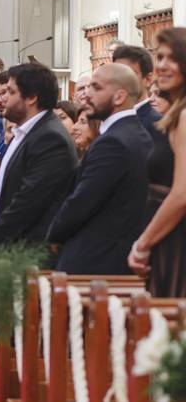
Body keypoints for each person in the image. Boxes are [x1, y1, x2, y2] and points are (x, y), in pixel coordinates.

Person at [47, 63, 152, 274]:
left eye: (96, 87)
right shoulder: (138, 134)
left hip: (95, 260)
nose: (86, 95)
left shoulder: (113, 141)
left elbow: (83, 200)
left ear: (119, 97)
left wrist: (54, 235)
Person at [0, 62, 78, 248]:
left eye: (10, 93)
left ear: (32, 97)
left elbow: (29, 201)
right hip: (9, 244)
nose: (1, 100)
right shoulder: (24, 132)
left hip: (27, 251)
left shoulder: (50, 138)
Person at [128, 28, 186, 297]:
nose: (161, 66)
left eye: (171, 59)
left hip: (177, 239)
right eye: (159, 57)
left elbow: (181, 193)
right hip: (169, 235)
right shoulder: (175, 115)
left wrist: (143, 243)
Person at [112, 44, 163, 144]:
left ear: (148, 79)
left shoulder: (158, 125)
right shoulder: (107, 119)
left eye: (128, 74)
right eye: (116, 74)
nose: (120, 80)